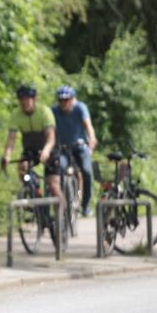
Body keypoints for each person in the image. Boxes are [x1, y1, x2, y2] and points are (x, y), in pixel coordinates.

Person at [1, 84, 59, 201]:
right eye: (21, 99)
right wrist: (7, 156)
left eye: (27, 99)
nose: (24, 102)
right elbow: (11, 139)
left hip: (49, 148)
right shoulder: (16, 114)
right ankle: (33, 191)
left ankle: (62, 214)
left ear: (34, 99)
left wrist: (46, 151)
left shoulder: (44, 111)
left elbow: (51, 137)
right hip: (30, 149)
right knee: (22, 168)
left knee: (53, 186)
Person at [51, 85, 98, 216]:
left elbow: (88, 126)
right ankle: (60, 205)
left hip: (80, 146)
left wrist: (92, 139)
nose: (64, 103)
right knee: (58, 169)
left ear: (73, 99)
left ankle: (86, 205)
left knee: (87, 171)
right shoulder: (54, 111)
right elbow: (49, 129)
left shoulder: (80, 108)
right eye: (61, 100)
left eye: (67, 100)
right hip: (63, 148)